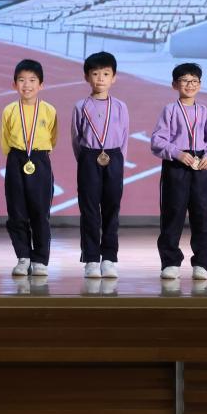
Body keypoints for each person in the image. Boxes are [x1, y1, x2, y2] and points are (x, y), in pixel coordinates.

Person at [150, 62, 207, 281]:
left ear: (200, 84)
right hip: (176, 166)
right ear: (175, 85)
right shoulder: (170, 110)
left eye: (194, 81)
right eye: (184, 80)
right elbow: (157, 140)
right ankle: (170, 262)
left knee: (203, 214)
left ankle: (202, 262)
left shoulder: (204, 112)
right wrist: (176, 153)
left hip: (200, 166)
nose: (189, 85)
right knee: (172, 214)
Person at [72, 51, 131, 279]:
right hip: (89, 158)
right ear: (87, 77)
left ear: (114, 78)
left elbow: (124, 137)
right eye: (95, 74)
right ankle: (90, 259)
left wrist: (118, 162)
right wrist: (86, 159)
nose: (100, 79)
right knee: (89, 210)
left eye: (106, 74)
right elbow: (76, 138)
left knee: (111, 209)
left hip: (114, 157)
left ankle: (109, 258)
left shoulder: (120, 106)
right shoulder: (80, 106)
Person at [0, 59, 58, 277]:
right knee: (16, 212)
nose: (27, 85)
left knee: (40, 213)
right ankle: (23, 257)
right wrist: (17, 156)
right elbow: (6, 138)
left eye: (32, 80)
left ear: (41, 85)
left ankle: (40, 259)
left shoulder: (49, 110)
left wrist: (38, 153)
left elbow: (53, 137)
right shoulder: (9, 110)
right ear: (14, 84)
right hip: (16, 159)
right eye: (22, 80)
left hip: (40, 160)